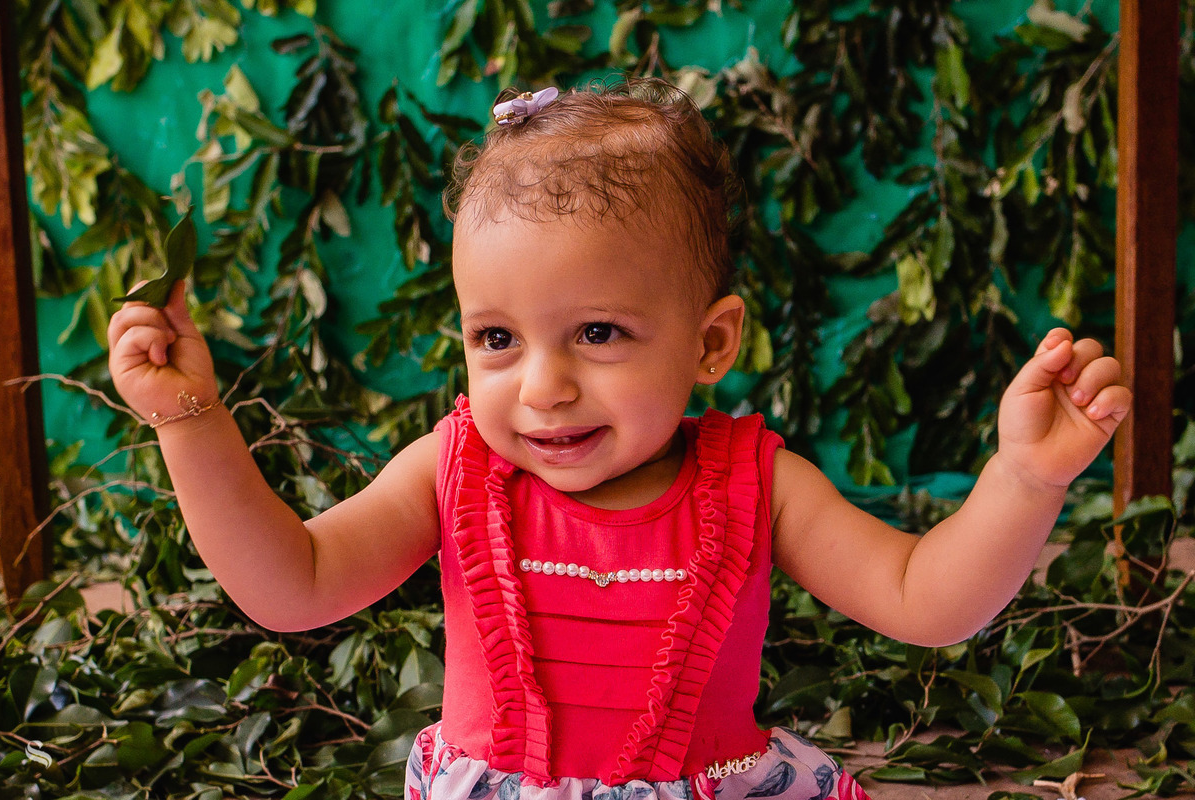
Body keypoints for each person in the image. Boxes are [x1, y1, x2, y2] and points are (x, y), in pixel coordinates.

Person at [107, 79, 1131, 800]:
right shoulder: (456, 467)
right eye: (497, 338)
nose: (544, 386)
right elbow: (294, 583)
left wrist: (1024, 478)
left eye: (598, 333)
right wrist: (187, 421)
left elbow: (926, 600)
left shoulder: (757, 483)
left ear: (710, 341)